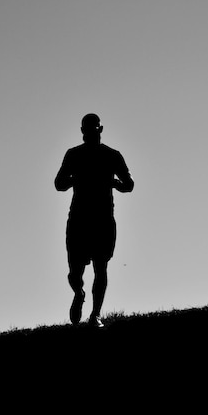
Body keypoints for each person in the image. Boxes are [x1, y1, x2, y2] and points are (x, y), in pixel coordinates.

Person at [55, 113, 134, 328]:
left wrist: (113, 183)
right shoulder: (73, 155)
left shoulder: (112, 155)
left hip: (102, 218)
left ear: (100, 129)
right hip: (79, 219)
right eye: (86, 129)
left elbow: (129, 184)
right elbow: (59, 183)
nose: (89, 133)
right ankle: (79, 293)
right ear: (82, 132)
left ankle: (95, 315)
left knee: (101, 267)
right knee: (74, 272)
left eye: (93, 128)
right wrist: (76, 179)